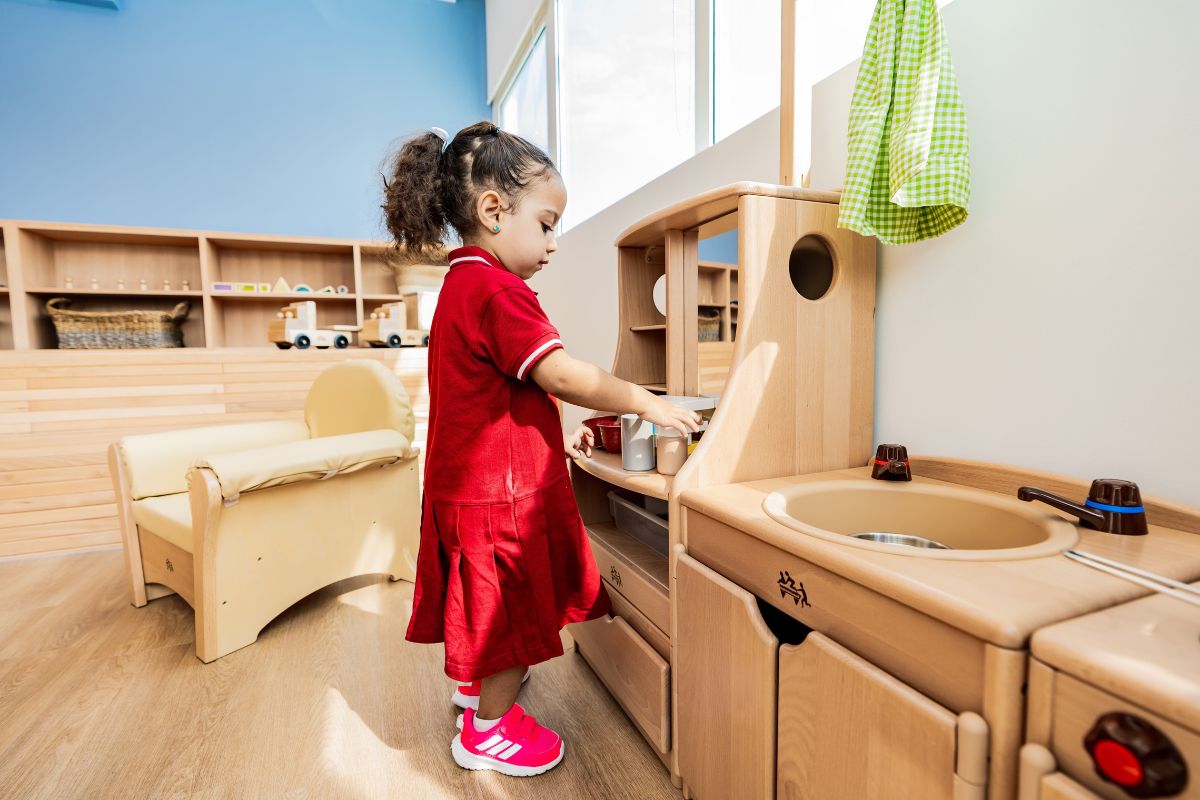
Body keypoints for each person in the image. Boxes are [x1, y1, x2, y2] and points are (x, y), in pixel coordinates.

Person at [383, 121, 699, 777]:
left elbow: (495, 398)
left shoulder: (462, 285)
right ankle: (488, 729)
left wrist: (553, 438)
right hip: (499, 500)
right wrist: (642, 400)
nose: (555, 244)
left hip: (469, 486)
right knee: (513, 610)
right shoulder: (498, 290)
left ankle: (477, 688)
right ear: (493, 210)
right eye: (548, 224)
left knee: (486, 605)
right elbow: (558, 373)